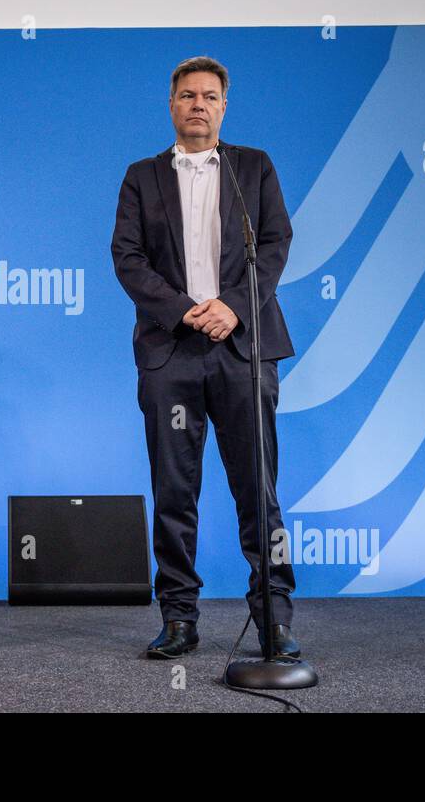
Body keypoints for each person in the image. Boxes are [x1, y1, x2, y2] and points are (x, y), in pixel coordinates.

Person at [111, 56, 299, 659]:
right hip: (172, 352)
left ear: (224, 106)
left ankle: (274, 618)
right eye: (187, 95)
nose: (198, 104)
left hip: (244, 348)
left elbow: (275, 243)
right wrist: (186, 309)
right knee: (173, 489)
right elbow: (128, 257)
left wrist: (234, 307)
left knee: (258, 489)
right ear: (172, 104)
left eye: (210, 96)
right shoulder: (141, 175)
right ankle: (179, 616)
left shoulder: (254, 166)